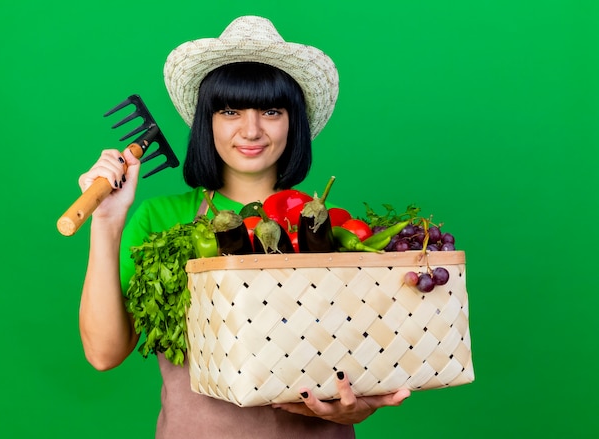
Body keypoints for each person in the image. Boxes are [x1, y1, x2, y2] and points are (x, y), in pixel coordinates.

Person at [78, 15, 410, 438]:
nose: (251, 130)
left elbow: (358, 360)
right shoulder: (161, 219)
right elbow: (103, 354)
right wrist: (106, 224)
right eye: (229, 110)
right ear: (207, 121)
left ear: (294, 122)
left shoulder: (330, 225)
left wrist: (355, 407)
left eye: (271, 110)